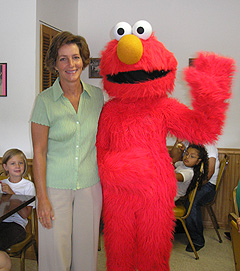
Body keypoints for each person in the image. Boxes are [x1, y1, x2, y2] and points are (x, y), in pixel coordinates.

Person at [31, 31, 104, 271]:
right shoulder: (44, 101)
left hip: (90, 186)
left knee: (86, 254)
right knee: (55, 254)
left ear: (83, 60)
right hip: (54, 188)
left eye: (75, 57)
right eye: (63, 59)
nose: (70, 64)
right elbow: (39, 152)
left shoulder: (97, 97)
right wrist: (42, 198)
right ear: (54, 64)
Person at [170, 139, 219, 252]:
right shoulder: (187, 142)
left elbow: (208, 173)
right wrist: (179, 141)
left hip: (207, 183)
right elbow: (175, 160)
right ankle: (182, 227)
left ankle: (197, 240)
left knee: (191, 203)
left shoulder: (209, 145)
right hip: (190, 180)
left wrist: (190, 187)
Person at [0, 149, 35, 252]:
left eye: (20, 163)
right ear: (5, 167)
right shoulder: (2, 184)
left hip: (17, 226)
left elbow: (25, 214)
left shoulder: (28, 186)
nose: (17, 166)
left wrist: (12, 195)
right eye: (13, 163)